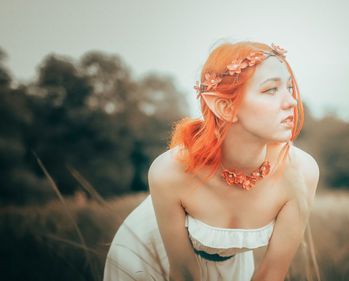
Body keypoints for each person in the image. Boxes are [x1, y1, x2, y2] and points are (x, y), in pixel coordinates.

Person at [103, 41, 320, 281]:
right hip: (149, 257)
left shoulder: (301, 172)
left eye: (289, 88)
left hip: (230, 267)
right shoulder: (169, 172)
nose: (291, 102)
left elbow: (272, 274)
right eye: (270, 90)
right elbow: (184, 274)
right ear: (225, 107)